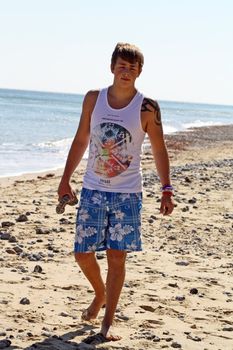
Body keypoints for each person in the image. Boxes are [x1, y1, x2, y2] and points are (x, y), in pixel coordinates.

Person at [58, 42, 174, 343]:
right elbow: (81, 139)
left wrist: (166, 188)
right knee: (82, 254)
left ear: (139, 72)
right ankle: (100, 295)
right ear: (112, 67)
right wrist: (65, 179)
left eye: (133, 68)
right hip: (93, 190)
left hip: (127, 195)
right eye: (122, 65)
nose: (127, 71)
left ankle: (107, 322)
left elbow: (159, 149)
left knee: (116, 258)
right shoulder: (93, 100)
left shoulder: (147, 107)